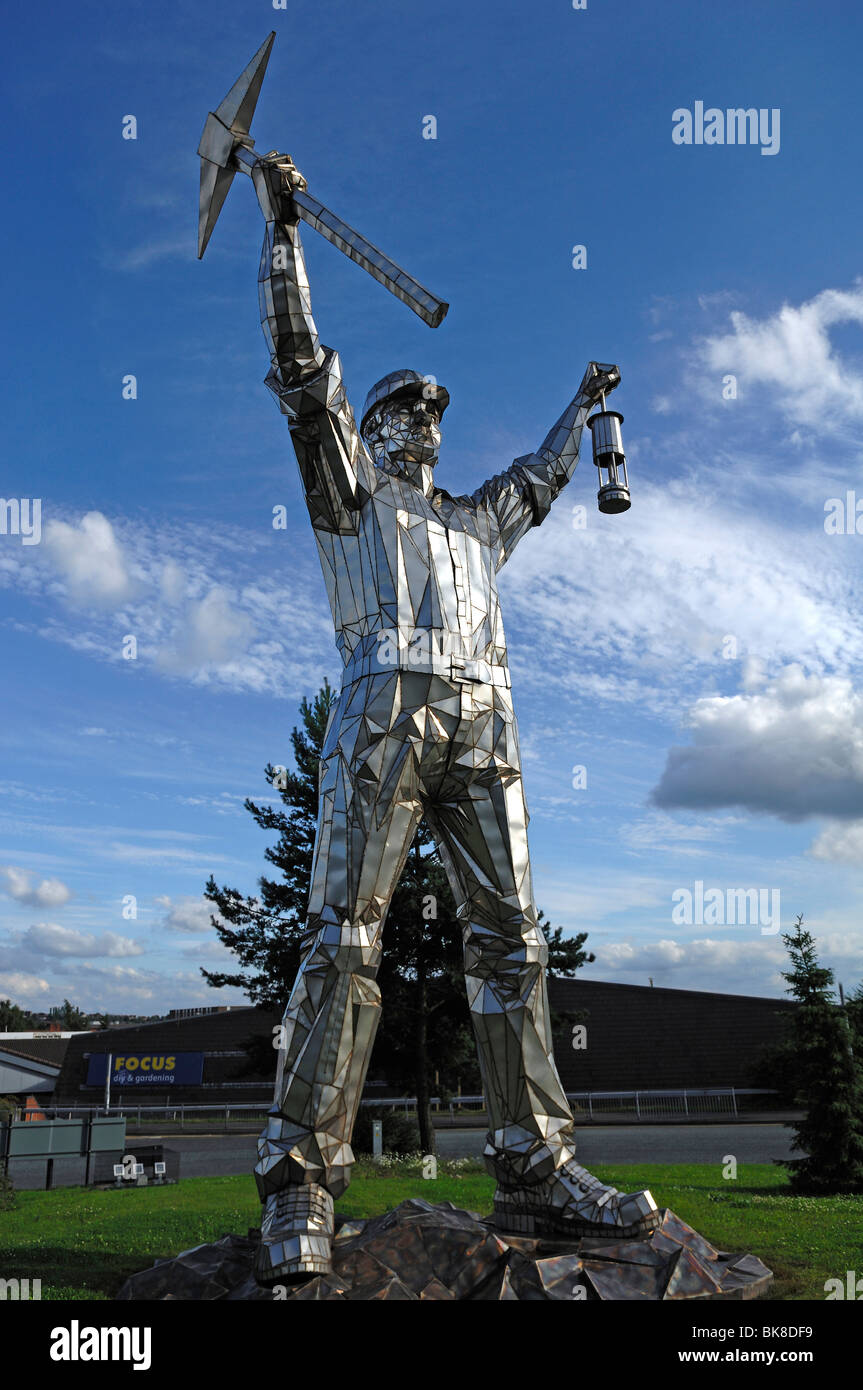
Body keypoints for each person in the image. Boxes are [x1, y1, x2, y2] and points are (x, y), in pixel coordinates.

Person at [249, 154, 658, 1284]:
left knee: (511, 944)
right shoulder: (348, 501)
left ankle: (535, 1163)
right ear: (371, 434)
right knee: (343, 934)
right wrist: (282, 235)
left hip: (486, 722)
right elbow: (298, 373)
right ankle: (300, 1179)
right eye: (397, 413)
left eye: (428, 414)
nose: (417, 424)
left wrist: (580, 405)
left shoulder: (476, 523)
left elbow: (539, 476)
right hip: (382, 711)